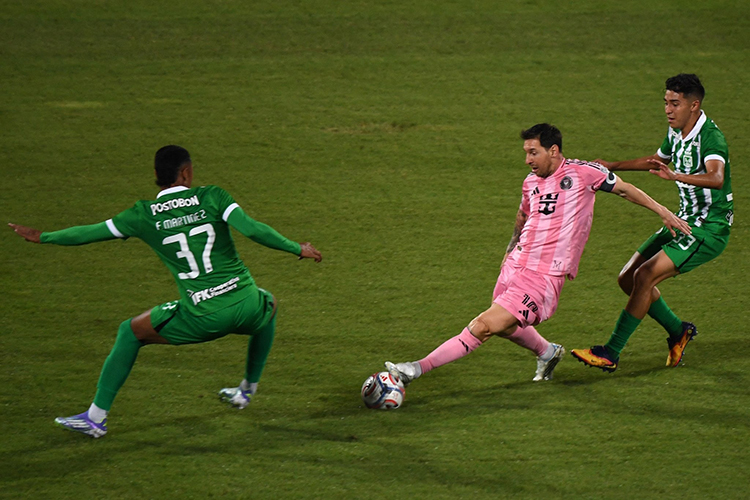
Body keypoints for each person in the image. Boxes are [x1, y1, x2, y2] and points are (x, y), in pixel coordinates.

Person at [9, 145, 322, 438]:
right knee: (269, 304)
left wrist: (45, 236)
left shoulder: (143, 215)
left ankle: (95, 418)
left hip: (202, 316)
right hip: (246, 304)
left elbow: (90, 232)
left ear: (157, 175)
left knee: (130, 332)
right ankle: (247, 390)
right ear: (185, 173)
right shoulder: (213, 196)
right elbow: (252, 229)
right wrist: (297, 248)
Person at [385, 124, 691, 390]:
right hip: (516, 265)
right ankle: (547, 352)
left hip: (543, 278)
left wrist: (663, 211)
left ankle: (414, 370)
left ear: (553, 150)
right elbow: (523, 216)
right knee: (505, 326)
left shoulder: (583, 173)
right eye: (526, 153)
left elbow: (625, 189)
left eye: (533, 152)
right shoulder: (530, 182)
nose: (528, 160)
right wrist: (508, 253)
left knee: (483, 326)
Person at [571, 74, 732, 372]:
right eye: (666, 102)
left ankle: (611, 352)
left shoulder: (710, 137)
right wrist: (612, 165)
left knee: (645, 276)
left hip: (708, 229)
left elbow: (717, 178)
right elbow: (657, 160)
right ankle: (678, 330)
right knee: (627, 278)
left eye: (675, 103)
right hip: (684, 220)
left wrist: (675, 176)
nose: (668, 110)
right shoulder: (677, 130)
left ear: (694, 105)